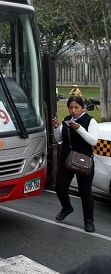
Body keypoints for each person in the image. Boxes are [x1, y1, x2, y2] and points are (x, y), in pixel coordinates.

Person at [52, 96, 98, 233]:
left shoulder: (90, 121)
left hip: (84, 160)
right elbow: (59, 139)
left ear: (82, 108)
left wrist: (79, 128)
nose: (73, 110)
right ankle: (67, 208)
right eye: (71, 108)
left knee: (85, 192)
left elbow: (93, 141)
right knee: (60, 187)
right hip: (67, 159)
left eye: (76, 108)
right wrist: (56, 127)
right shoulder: (67, 120)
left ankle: (88, 221)